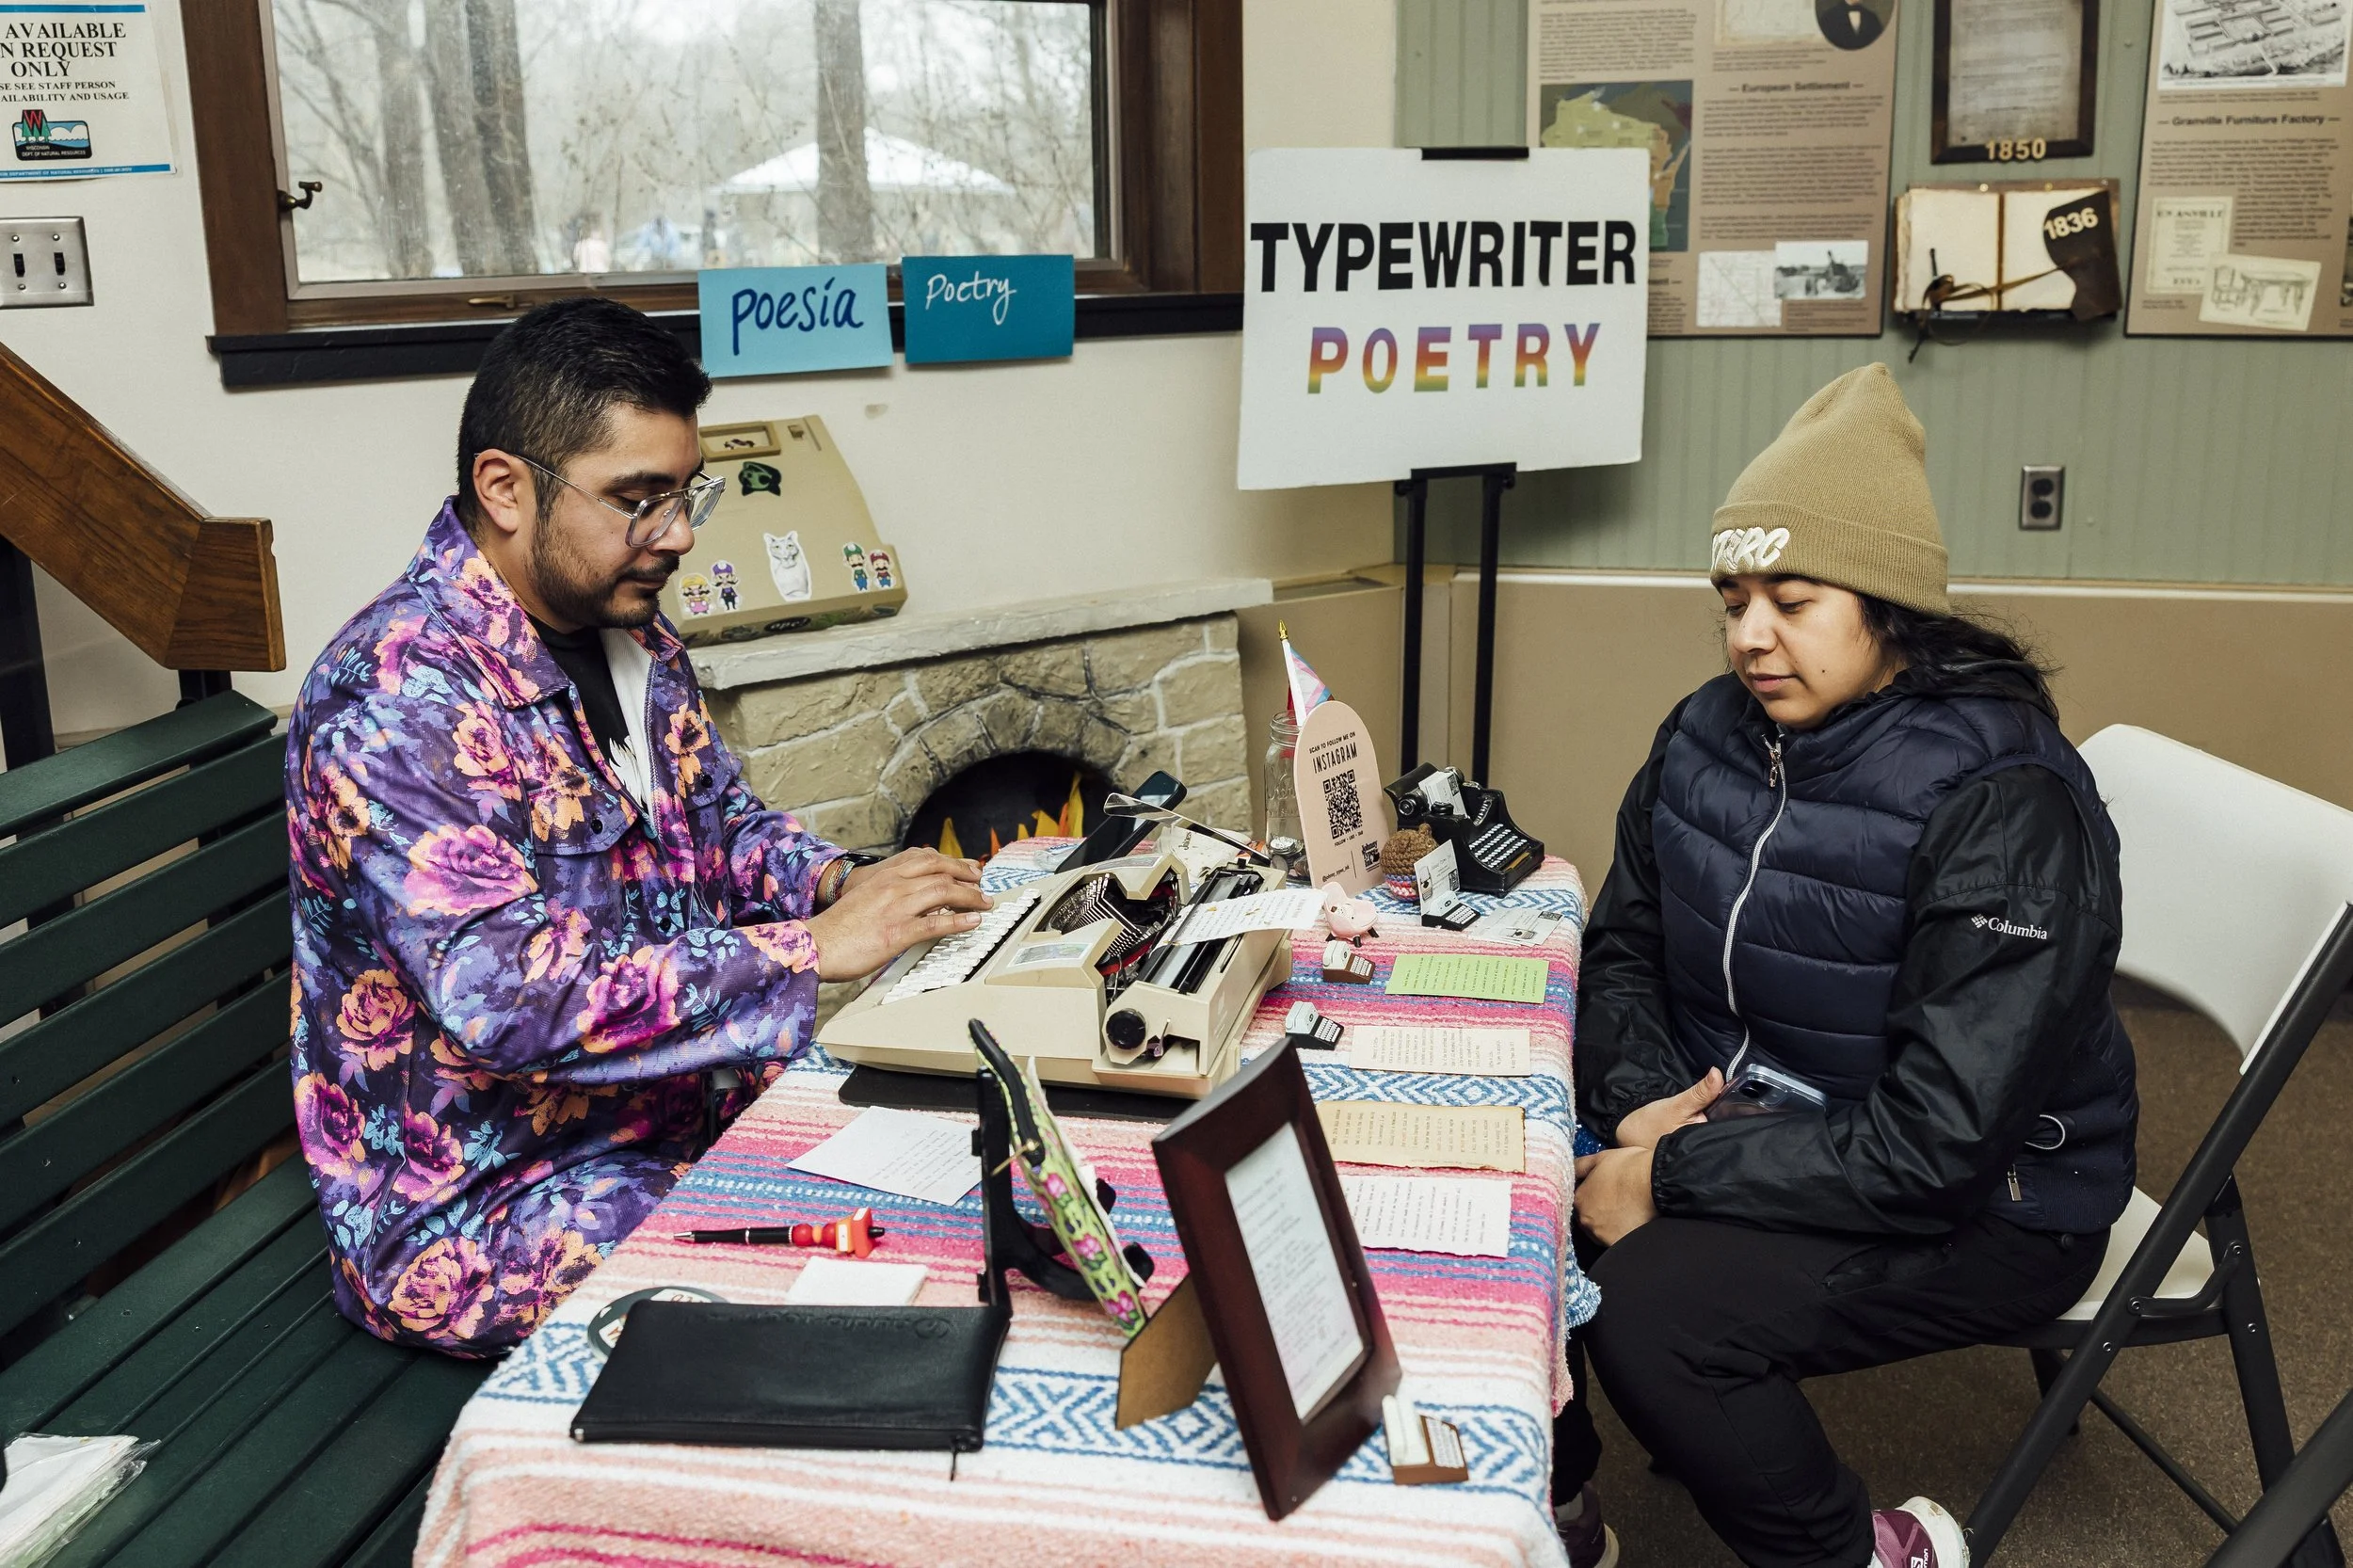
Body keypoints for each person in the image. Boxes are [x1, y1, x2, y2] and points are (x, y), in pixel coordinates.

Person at [284, 297, 990, 1356]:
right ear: (505, 488)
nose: (679, 534)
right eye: (636, 499)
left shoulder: (633, 635)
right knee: (881, 1278)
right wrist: (812, 949)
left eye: (684, 492)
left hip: (674, 1121)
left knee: (974, 1173)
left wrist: (845, 884)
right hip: (494, 1203)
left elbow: (722, 824)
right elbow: (510, 1004)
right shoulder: (393, 703)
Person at [1551, 364, 2137, 1568]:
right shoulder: (1705, 731)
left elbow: (1937, 1147)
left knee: (1653, 1319)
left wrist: (1673, 1171)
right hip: (1771, 1120)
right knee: (1504, 1196)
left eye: (1792, 598)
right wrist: (1635, 1109)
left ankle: (1861, 1554)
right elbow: (1619, 949)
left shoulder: (2003, 802)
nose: (1748, 634)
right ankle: (1547, 1510)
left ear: (1887, 604)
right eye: (1731, 597)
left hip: (1995, 1201)